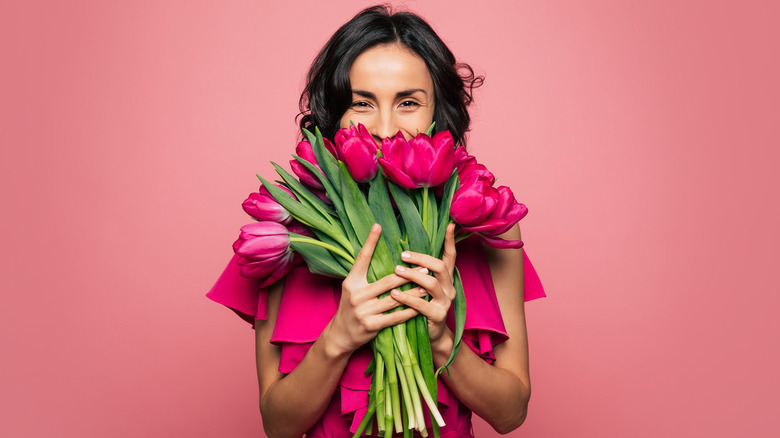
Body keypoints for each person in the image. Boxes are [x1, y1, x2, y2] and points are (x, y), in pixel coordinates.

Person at [207, 5, 545, 438]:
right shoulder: (292, 229)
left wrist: (442, 338)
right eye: (362, 103)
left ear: (438, 113)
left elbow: (510, 412)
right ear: (334, 113)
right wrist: (339, 338)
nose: (385, 129)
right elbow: (278, 425)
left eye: (408, 102)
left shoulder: (483, 219)